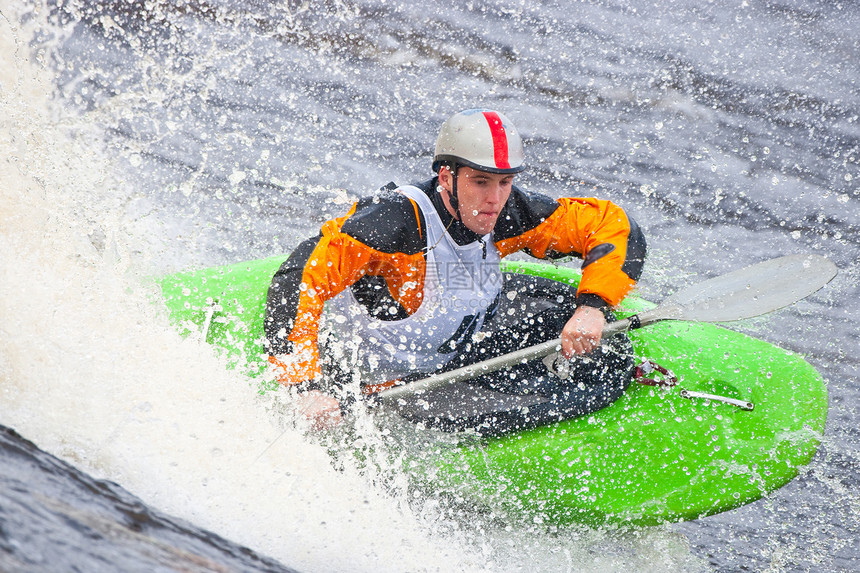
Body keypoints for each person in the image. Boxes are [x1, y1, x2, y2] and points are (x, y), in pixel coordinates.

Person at [264, 109, 646, 433]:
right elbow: (296, 282)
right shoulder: (393, 223)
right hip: (361, 374)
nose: (494, 199)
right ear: (447, 177)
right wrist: (304, 386)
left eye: (504, 182)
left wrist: (592, 308)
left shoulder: (510, 212)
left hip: (452, 354)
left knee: (578, 314)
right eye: (480, 182)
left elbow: (613, 224)